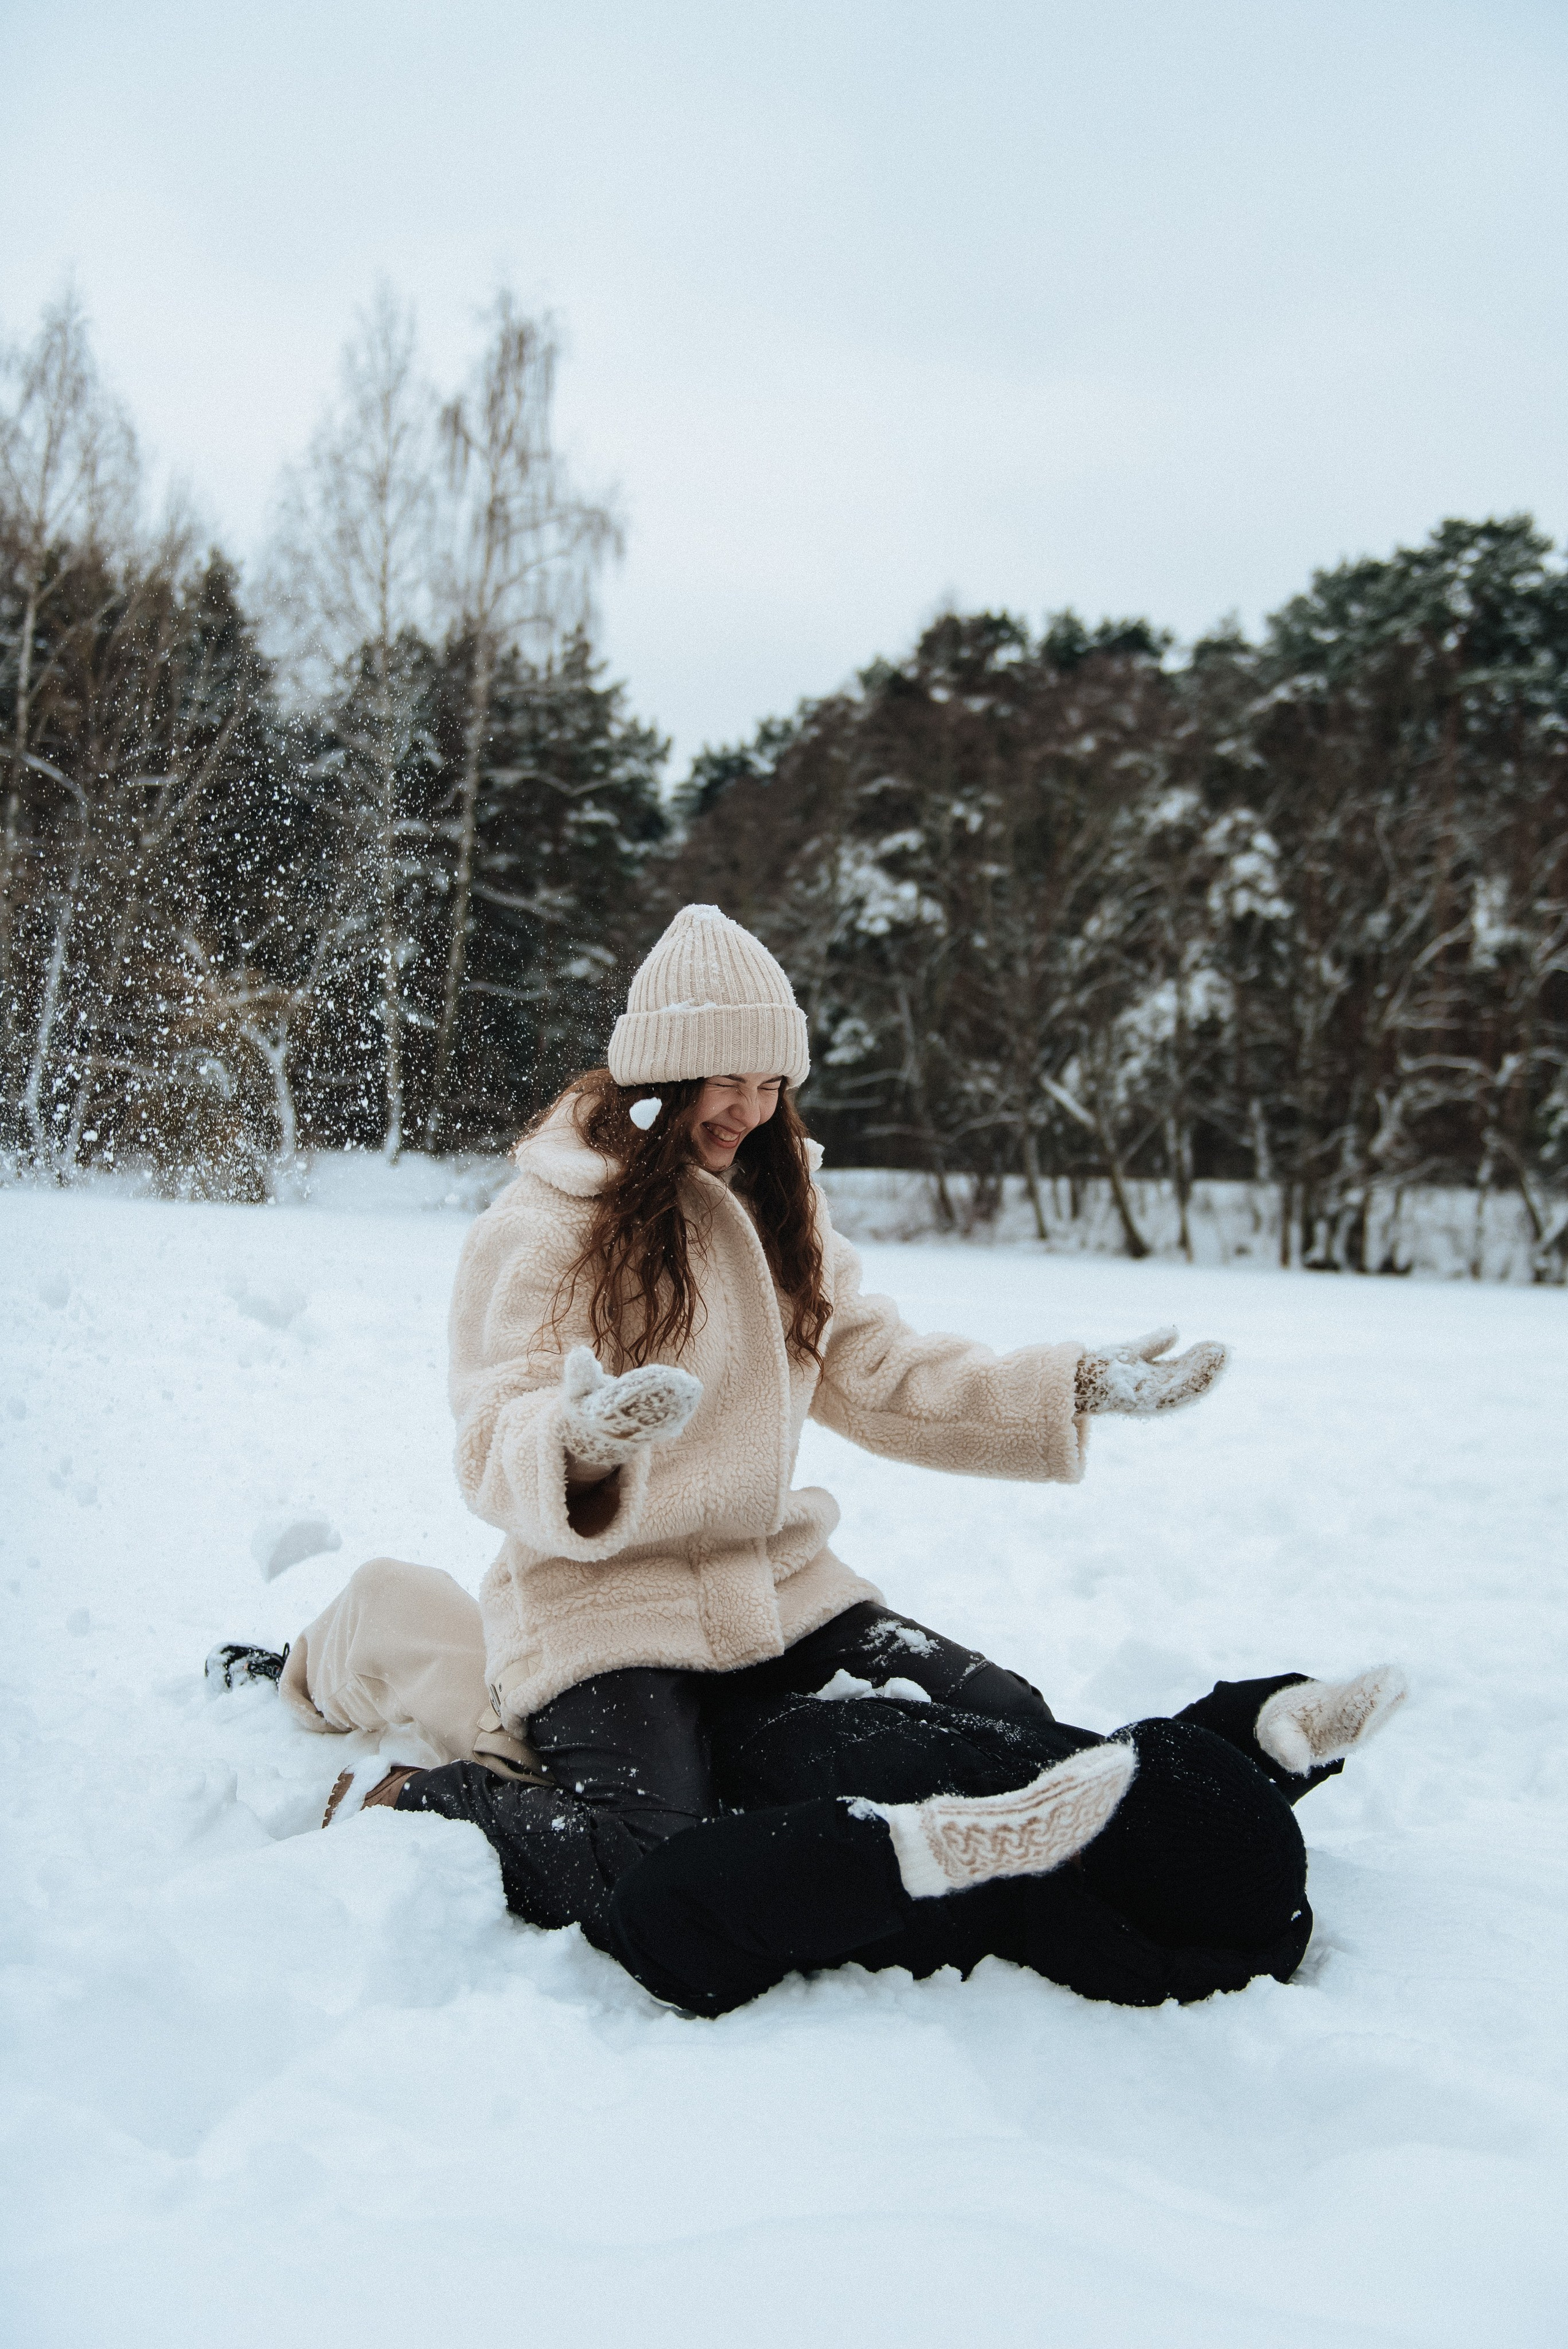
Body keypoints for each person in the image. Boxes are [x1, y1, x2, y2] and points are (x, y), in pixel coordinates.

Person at [211, 902, 1406, 2000]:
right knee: (644, 1848)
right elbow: (491, 1433)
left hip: (774, 1590)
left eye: (772, 1082)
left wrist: (1073, 1385)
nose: (749, 1108)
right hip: (607, 1606)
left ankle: (1179, 1794)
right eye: (725, 1080)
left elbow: (881, 1374)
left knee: (1005, 1715)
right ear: (659, 1075)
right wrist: (574, 1440)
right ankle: (425, 1797)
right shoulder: (543, 1227)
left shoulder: (780, 1206)